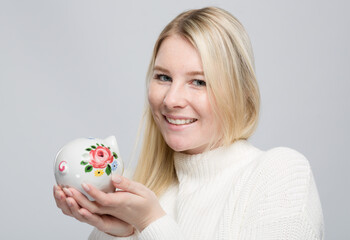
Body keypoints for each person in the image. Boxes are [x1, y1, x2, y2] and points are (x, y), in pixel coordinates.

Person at [53, 6, 324, 239]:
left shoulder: (281, 173)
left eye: (198, 82)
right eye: (163, 77)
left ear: (241, 93)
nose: (171, 99)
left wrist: (151, 223)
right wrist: (116, 232)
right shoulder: (139, 194)